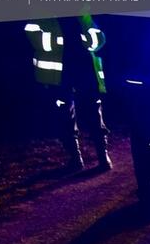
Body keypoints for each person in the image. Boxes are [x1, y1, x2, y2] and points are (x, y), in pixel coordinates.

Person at [24, 15, 113, 173]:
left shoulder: (82, 13)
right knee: (66, 116)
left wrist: (85, 23)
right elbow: (39, 43)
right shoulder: (40, 15)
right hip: (59, 75)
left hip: (85, 71)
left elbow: (99, 41)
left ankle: (102, 156)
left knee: (93, 113)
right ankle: (75, 158)